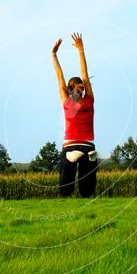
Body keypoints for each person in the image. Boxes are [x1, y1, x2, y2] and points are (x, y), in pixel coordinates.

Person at [52, 32, 98, 198]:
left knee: (66, 180)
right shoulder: (89, 100)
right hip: (88, 145)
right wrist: (81, 50)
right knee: (88, 182)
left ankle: (66, 195)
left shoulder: (66, 101)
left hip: (70, 145)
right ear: (82, 88)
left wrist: (54, 54)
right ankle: (86, 195)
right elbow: (85, 75)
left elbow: (59, 76)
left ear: (69, 89)